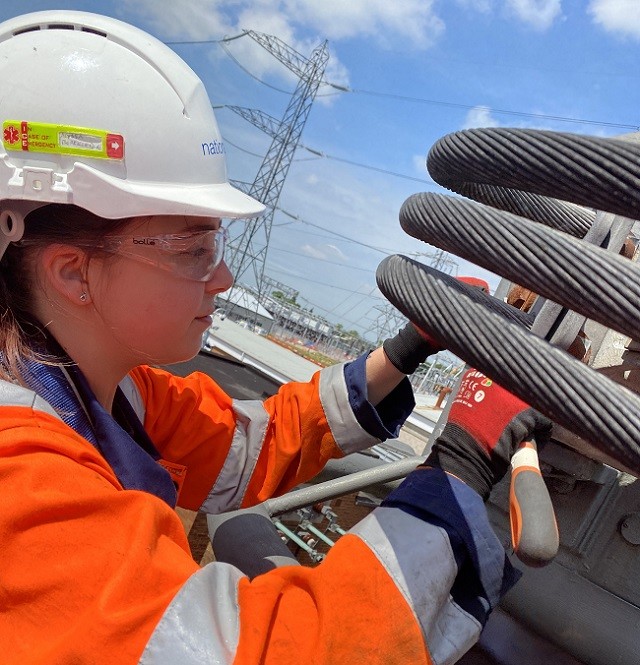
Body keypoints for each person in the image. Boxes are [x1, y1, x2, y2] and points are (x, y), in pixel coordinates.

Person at [0, 10, 552, 665]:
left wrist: (406, 349)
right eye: (194, 247)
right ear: (73, 271)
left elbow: (245, 445)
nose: (225, 276)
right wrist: (460, 467)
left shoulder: (103, 388)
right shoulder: (20, 486)